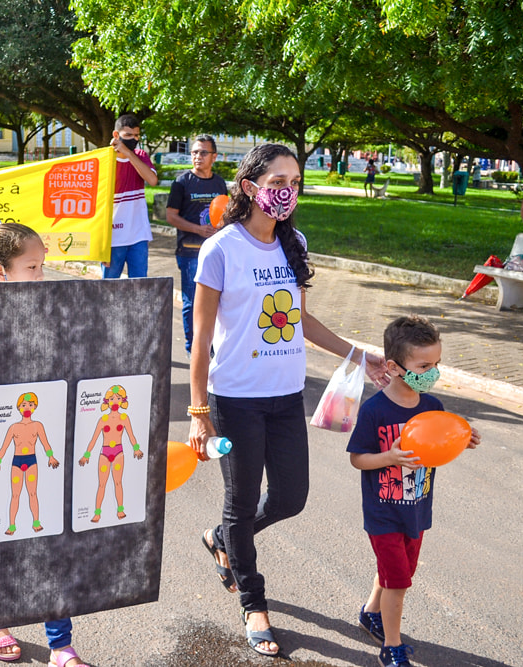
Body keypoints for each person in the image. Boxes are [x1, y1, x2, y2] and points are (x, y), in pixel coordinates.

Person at [189, 143, 389, 657]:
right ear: (250, 187)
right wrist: (198, 413)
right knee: (240, 502)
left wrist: (358, 356)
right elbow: (200, 337)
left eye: (296, 183)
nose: (288, 191)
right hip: (234, 399)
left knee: (289, 498)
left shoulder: (292, 242)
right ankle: (253, 605)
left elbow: (301, 320)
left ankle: (222, 538)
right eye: (279, 181)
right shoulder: (221, 249)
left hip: (285, 397)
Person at [0, 219, 89, 667]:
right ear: (1, 273)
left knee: (49, 538)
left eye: (43, 265)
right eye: (32, 267)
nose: (42, 276)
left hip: (43, 444)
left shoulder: (51, 312)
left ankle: (61, 644)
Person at [346, 315, 481, 667]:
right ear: (393, 366)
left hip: (417, 507)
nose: (432, 372)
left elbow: (440, 442)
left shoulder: (432, 406)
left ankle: (370, 612)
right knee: (399, 583)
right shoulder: (375, 410)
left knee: (399, 572)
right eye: (424, 365)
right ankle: (391, 646)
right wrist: (389, 457)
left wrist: (463, 438)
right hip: (384, 513)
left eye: (436, 363)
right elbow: (358, 459)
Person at [165, 134, 227, 355]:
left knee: (218, 301)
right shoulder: (181, 183)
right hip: (190, 252)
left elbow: (224, 212)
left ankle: (214, 346)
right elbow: (171, 216)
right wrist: (198, 229)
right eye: (194, 152)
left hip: (217, 252)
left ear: (214, 156)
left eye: (203, 152)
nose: (197, 157)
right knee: (192, 302)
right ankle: (195, 349)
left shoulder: (219, 183)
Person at [0, 391, 60, 536]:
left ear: (35, 407)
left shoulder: (38, 425)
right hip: (17, 462)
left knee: (32, 493)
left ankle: (36, 522)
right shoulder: (14, 427)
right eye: (24, 405)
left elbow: (45, 443)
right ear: (19, 408)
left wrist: (50, 457)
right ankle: (12, 526)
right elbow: (5, 446)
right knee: (15, 494)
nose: (27, 407)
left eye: (31, 405)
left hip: (31, 461)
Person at [104, 114, 158, 279]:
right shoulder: (106, 160)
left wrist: (127, 152)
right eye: (128, 135)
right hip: (113, 238)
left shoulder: (140, 156)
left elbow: (152, 180)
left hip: (138, 235)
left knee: (140, 287)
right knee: (109, 289)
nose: (133, 139)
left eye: (136, 136)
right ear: (116, 135)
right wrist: (101, 246)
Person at [79, 384, 143, 523]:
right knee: (102, 484)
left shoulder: (124, 417)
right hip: (104, 453)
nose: (115, 401)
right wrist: (87, 455)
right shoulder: (103, 419)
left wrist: (136, 448)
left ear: (122, 401)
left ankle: (120, 510)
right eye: (112, 398)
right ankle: (97, 513)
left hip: (118, 452)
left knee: (118, 482)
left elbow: (131, 436)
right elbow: (94, 439)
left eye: (118, 398)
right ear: (107, 401)